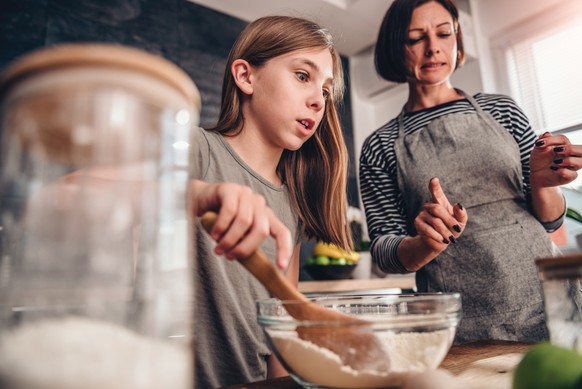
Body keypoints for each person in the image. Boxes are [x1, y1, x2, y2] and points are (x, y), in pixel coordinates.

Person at [359, 0, 581, 344]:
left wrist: (541, 182)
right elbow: (384, 249)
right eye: (416, 38)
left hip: (545, 301)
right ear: (395, 48)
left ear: (457, 39)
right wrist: (424, 245)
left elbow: (551, 222)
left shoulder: (502, 109)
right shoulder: (381, 144)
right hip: (460, 325)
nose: (433, 47)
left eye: (444, 33)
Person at [188, 16, 352, 388]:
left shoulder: (292, 204)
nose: (317, 100)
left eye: (326, 91)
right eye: (302, 76)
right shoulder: (198, 151)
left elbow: (283, 326)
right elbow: (73, 191)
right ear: (246, 76)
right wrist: (196, 194)